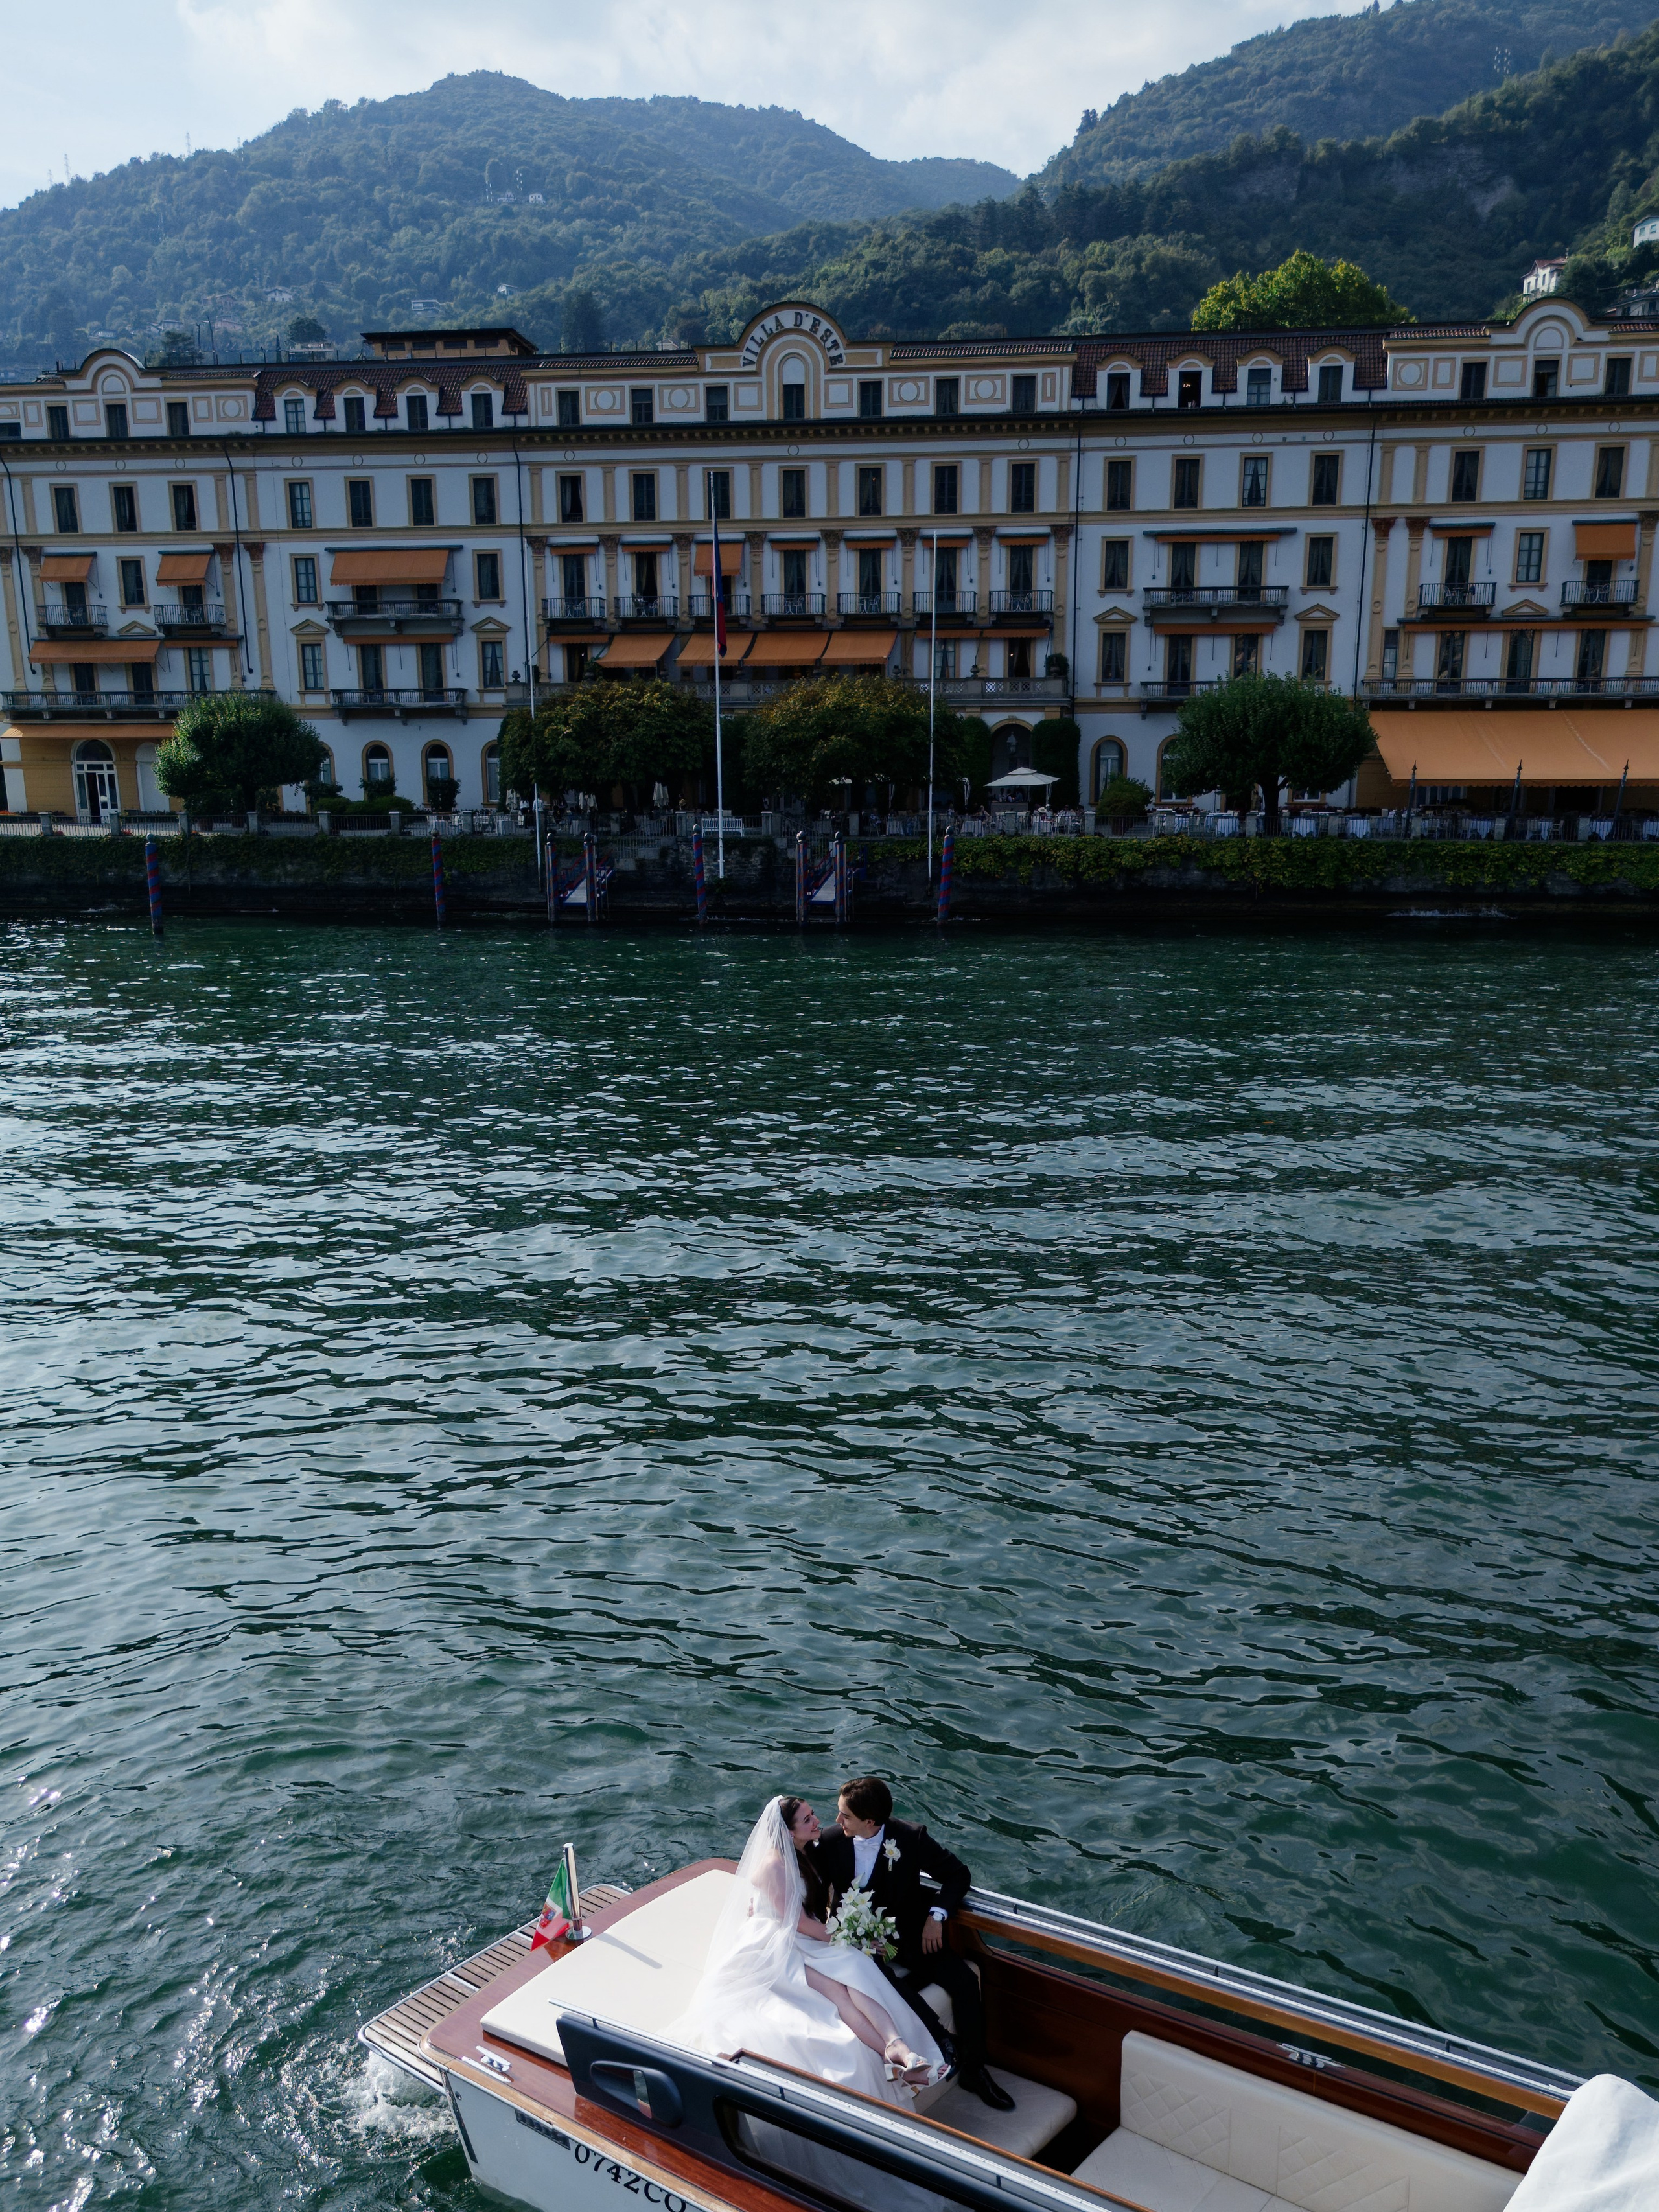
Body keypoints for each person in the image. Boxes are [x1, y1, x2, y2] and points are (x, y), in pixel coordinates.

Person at [668, 1796, 947, 2105]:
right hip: (778, 1945)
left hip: (803, 1937)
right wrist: (852, 1939)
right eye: (807, 1820)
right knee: (845, 1981)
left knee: (853, 1973)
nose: (817, 1822)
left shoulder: (804, 1852)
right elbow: (799, 1923)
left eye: (812, 1815)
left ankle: (900, 2052)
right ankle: (894, 2054)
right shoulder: (773, 1865)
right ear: (789, 1832)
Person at [809, 1777, 1015, 2112]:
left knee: (963, 1980)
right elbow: (810, 1889)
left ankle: (975, 2069)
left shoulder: (910, 1837)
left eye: (844, 1815)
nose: (837, 1821)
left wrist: (936, 1918)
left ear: (871, 1822)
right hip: (853, 1942)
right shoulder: (830, 1842)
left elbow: (958, 1875)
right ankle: (941, 2042)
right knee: (881, 1981)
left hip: (909, 1933)